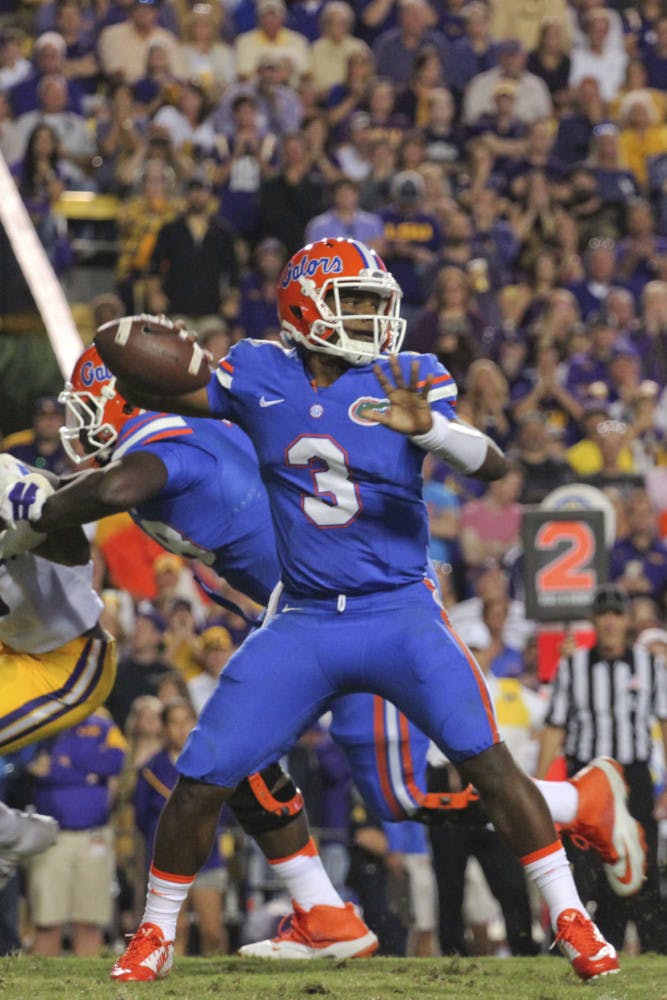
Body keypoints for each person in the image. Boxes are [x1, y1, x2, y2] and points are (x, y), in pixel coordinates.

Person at [7, 329, 642, 975]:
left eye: (86, 407)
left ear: (127, 397)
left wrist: (38, 507)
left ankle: (576, 802)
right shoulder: (187, 426)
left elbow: (118, 487)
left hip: (360, 602)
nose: (74, 425)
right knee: (239, 771)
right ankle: (323, 913)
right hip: (297, 616)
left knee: (395, 797)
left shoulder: (161, 450)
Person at [537, 583, 667, 954]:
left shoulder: (649, 666)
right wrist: (540, 785)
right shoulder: (573, 667)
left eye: (616, 614)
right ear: (593, 620)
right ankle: (591, 944)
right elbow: (555, 727)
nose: (610, 622)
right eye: (604, 614)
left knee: (641, 867)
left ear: (627, 620)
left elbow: (664, 722)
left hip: (633, 779)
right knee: (587, 867)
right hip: (588, 780)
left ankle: (656, 951)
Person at [25, 709, 126, 956]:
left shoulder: (103, 725)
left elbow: (117, 761)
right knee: (47, 920)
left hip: (94, 834)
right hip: (51, 836)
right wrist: (88, 772)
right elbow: (34, 768)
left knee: (90, 920)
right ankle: (41, 989)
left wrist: (67, 764)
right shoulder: (41, 726)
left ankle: (86, 989)